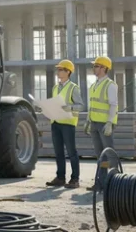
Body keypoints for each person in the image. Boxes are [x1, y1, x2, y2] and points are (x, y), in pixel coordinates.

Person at [45, 59, 83, 189]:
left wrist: (69, 107)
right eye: (58, 69)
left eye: (61, 69)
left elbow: (80, 106)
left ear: (68, 72)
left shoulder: (73, 88)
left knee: (72, 152)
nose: (58, 71)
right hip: (55, 122)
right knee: (58, 152)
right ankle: (60, 178)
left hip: (67, 123)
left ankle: (75, 179)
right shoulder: (55, 88)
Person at [85, 56, 119, 191]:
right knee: (100, 155)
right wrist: (88, 120)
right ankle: (101, 183)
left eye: (97, 66)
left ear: (104, 68)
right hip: (94, 123)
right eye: (94, 66)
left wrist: (110, 122)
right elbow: (92, 105)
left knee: (109, 153)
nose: (94, 68)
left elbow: (113, 105)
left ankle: (116, 182)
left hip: (105, 124)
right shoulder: (93, 86)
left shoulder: (110, 85)